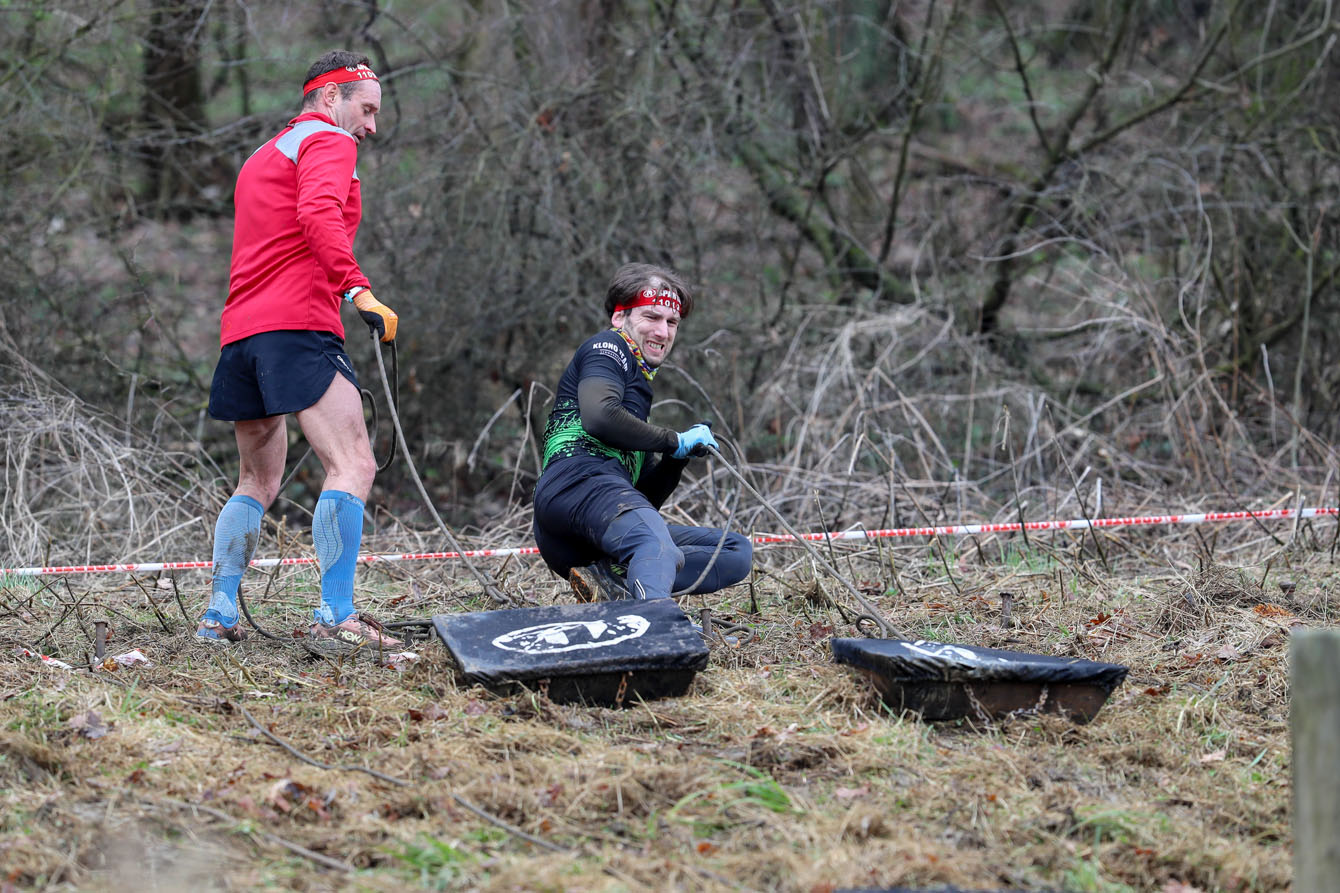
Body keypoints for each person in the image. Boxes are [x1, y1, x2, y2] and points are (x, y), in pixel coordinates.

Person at [196, 50, 402, 656]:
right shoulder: (329, 141)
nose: (371, 126)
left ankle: (219, 612)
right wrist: (358, 289)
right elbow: (317, 215)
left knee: (257, 479)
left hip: (241, 335)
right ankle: (336, 615)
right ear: (331, 96)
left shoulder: (264, 154)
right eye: (367, 109)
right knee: (354, 463)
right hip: (297, 327)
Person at [531, 263, 753, 609]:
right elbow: (599, 417)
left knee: (736, 551)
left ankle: (613, 583)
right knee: (656, 545)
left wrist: (676, 459)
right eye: (652, 317)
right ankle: (651, 627)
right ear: (620, 317)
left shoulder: (637, 390)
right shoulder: (607, 347)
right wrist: (673, 439)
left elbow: (640, 500)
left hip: (598, 524)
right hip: (575, 488)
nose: (663, 332)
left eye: (672, 322)